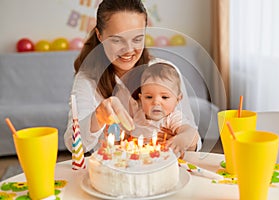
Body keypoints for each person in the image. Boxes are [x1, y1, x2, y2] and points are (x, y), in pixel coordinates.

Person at [64, 0, 200, 154]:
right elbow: (72, 143)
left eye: (137, 39)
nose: (129, 50)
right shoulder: (87, 80)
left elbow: (194, 138)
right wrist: (98, 117)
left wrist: (181, 140)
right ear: (100, 35)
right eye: (116, 40)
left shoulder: (167, 73)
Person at [131, 63, 200, 154]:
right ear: (141, 98)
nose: (156, 102)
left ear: (178, 100)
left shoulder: (172, 118)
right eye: (149, 97)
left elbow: (191, 132)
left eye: (164, 97)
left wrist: (182, 138)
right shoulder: (138, 115)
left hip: (164, 162)